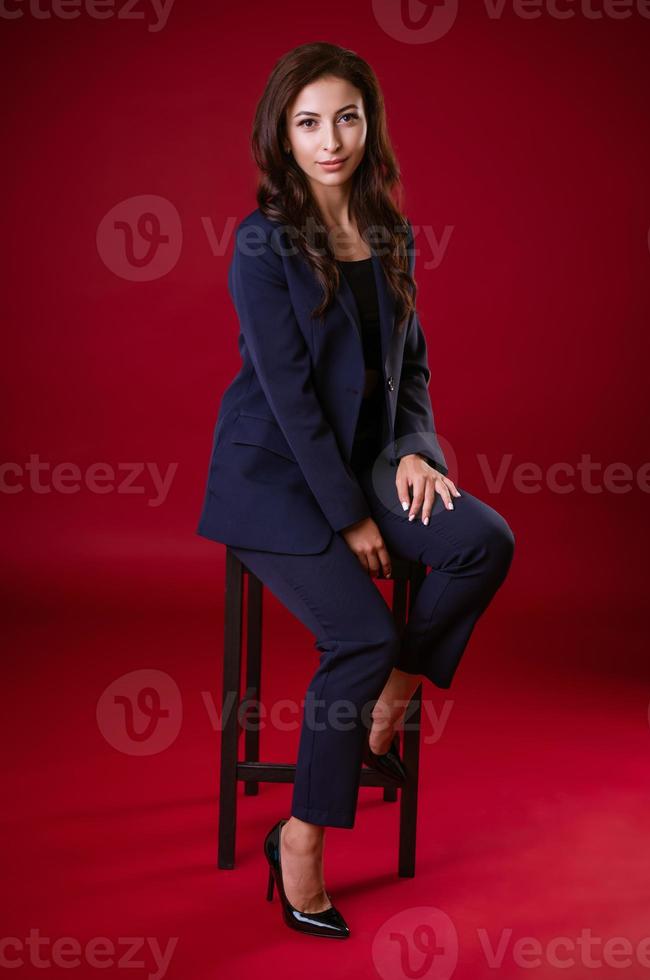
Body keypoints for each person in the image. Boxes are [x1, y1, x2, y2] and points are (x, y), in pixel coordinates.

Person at [196, 41, 515, 939]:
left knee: (483, 541)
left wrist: (418, 453)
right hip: (274, 478)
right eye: (307, 122)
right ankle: (300, 838)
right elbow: (293, 398)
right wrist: (350, 523)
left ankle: (399, 693)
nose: (329, 138)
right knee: (359, 633)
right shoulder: (261, 246)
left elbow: (411, 371)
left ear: (368, 125)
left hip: (371, 460)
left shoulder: (390, 231)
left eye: (346, 116)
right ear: (282, 138)